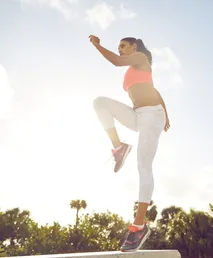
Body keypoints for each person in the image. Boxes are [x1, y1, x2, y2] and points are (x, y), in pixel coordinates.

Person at [89, 35, 170, 252]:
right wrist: (167, 115)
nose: (121, 50)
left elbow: (116, 61)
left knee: (143, 165)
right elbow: (155, 90)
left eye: (123, 46)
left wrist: (97, 45)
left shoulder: (140, 57)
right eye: (119, 48)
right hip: (139, 115)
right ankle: (119, 146)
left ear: (133, 46)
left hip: (152, 115)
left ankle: (139, 226)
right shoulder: (133, 70)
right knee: (100, 103)